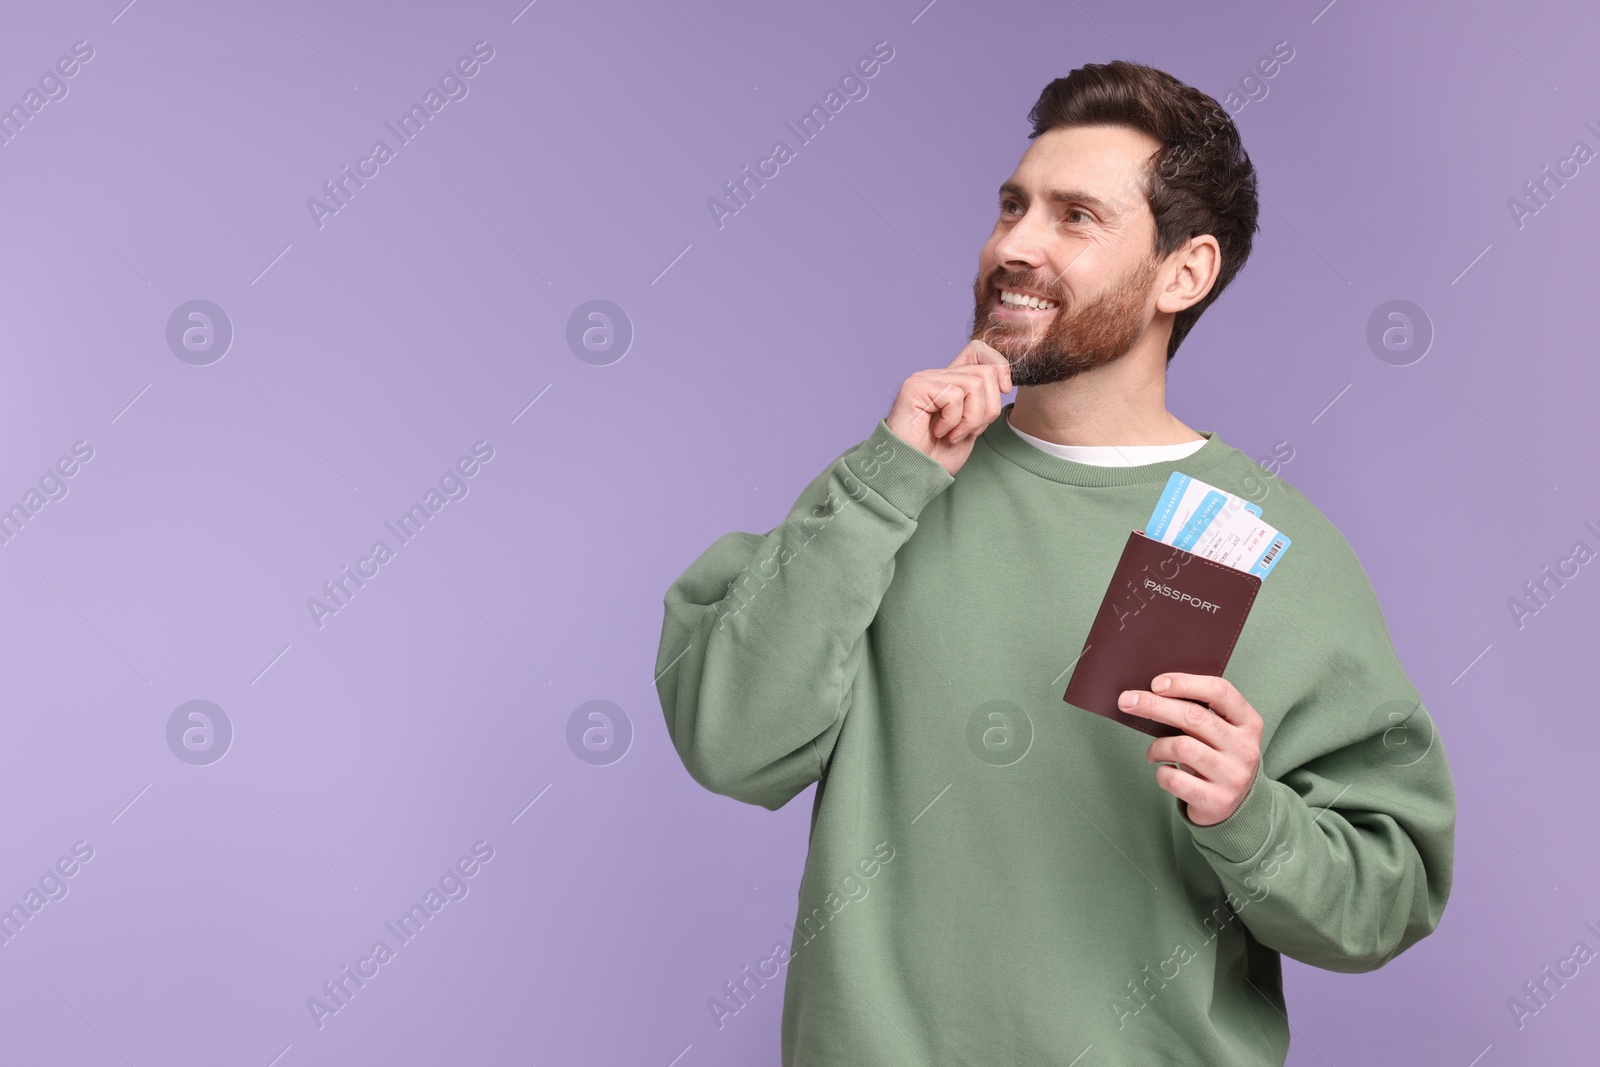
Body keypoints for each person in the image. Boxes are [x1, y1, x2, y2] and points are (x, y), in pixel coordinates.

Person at [654, 59, 1455, 1066]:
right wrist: (881, 483)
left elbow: (1385, 900)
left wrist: (1250, 814)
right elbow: (729, 740)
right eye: (1010, 205)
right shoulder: (886, 493)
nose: (1013, 246)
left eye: (1074, 216)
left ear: (1184, 271)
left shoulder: (1276, 549)